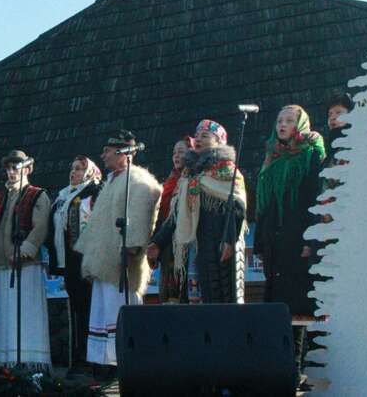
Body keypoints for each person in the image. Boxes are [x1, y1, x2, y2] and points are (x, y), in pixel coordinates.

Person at [254, 105, 329, 385]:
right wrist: (261, 242)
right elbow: (264, 205)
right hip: (275, 241)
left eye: (289, 120)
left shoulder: (311, 154)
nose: (282, 125)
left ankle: (297, 368)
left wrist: (310, 240)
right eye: (279, 120)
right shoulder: (272, 158)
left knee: (298, 306)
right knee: (277, 305)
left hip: (298, 241)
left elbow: (314, 200)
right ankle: (280, 366)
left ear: (301, 124)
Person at [75, 131, 161, 373]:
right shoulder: (112, 180)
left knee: (121, 315)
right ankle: (107, 367)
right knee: (104, 314)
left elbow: (144, 213)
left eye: (107, 151)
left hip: (122, 262)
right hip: (105, 261)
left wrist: (132, 246)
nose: (102, 155)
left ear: (124, 153)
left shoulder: (139, 180)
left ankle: (127, 365)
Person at [148, 120, 247, 305]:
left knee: (221, 298)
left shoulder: (227, 172)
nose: (199, 139)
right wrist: (157, 242)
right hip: (194, 246)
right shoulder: (188, 175)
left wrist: (229, 240)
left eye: (205, 136)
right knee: (195, 300)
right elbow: (176, 215)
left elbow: (237, 209)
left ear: (219, 141)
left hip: (218, 242)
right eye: (198, 135)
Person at [0, 150, 52, 369]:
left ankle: (30, 362)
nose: (11, 172)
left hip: (26, 265)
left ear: (28, 169)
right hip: (0, 264)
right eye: (8, 168)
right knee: (3, 315)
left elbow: (41, 226)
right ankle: (4, 362)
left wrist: (25, 248)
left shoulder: (37, 194)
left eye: (16, 167)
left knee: (26, 315)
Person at [46, 155, 102, 373]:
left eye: (79, 169)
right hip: (68, 262)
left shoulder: (94, 192)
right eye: (72, 168)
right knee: (77, 309)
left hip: (85, 261)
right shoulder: (63, 196)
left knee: (88, 309)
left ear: (88, 172)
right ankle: (79, 356)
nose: (73, 172)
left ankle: (91, 359)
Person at [151, 137, 194, 303]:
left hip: (184, 244)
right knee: (167, 295)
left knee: (183, 293)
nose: (176, 156)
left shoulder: (192, 180)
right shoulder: (170, 181)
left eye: (181, 152)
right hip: (166, 245)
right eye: (174, 153)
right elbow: (162, 214)